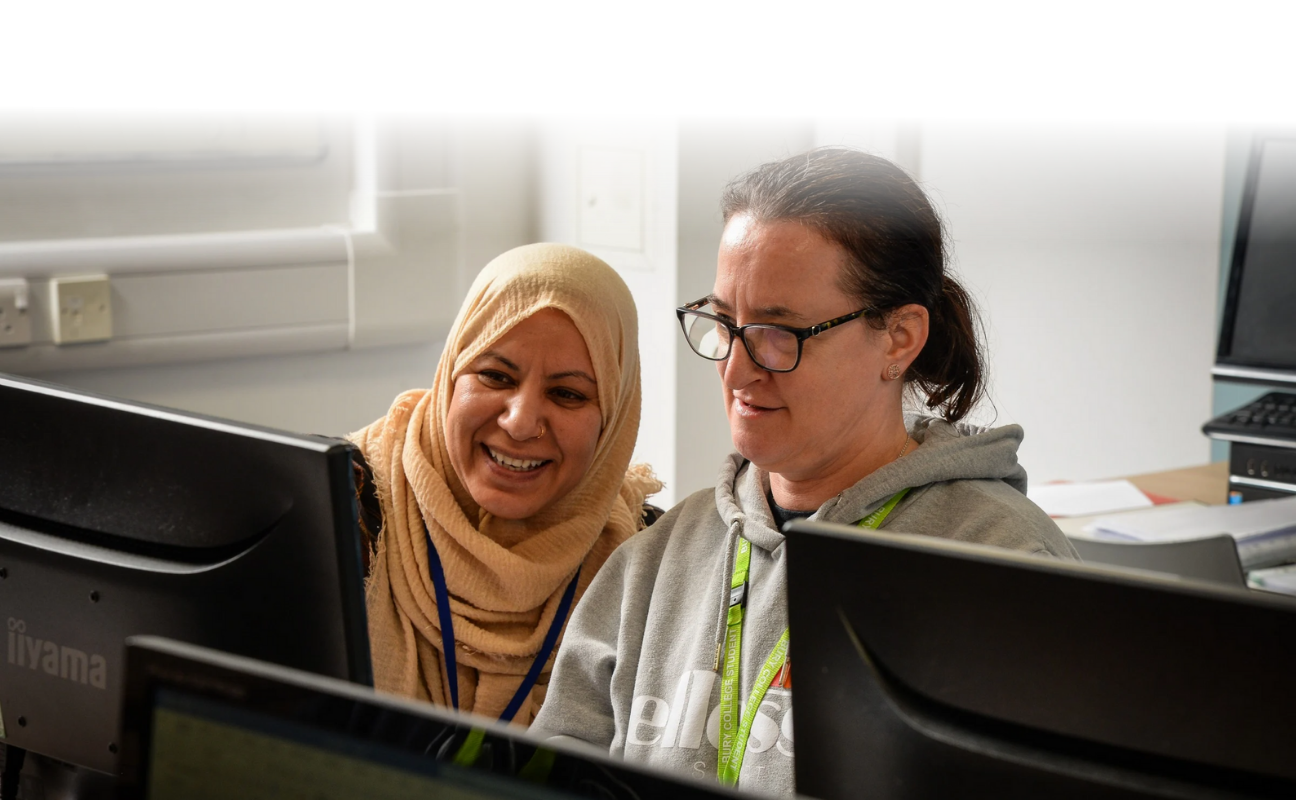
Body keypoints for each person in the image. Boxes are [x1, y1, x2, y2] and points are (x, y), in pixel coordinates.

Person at [530, 148, 1078, 793]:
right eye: (723, 323)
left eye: (776, 332)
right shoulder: (657, 561)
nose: (736, 369)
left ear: (899, 339)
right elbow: (549, 775)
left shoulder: (1005, 569)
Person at [347, 242, 661, 726]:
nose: (519, 422)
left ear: (614, 417)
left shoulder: (642, 565)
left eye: (567, 393)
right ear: (452, 373)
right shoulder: (344, 508)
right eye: (495, 375)